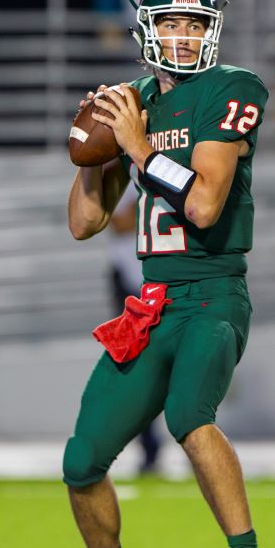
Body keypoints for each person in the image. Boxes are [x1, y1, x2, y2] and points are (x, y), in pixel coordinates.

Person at [64, 0, 268, 548]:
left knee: (188, 415)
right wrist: (91, 153)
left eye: (193, 23)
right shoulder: (137, 103)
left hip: (213, 295)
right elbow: (84, 223)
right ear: (147, 29)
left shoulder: (232, 88)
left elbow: (204, 204)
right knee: (81, 461)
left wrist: (136, 147)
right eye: (170, 22)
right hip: (154, 306)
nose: (181, 35)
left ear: (212, 29)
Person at [107, 186, 162, 474]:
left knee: (184, 363)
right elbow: (119, 222)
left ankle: (198, 442)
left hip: (169, 277)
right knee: (137, 370)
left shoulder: (170, 155)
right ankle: (150, 449)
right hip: (129, 281)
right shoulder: (122, 171)